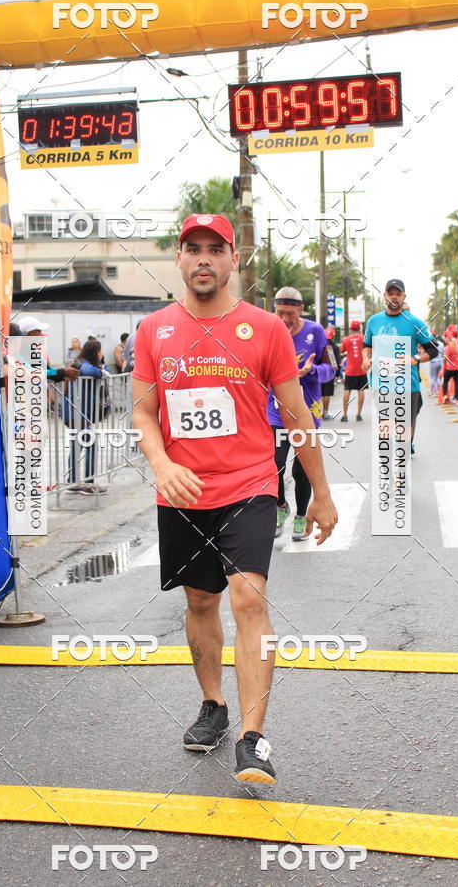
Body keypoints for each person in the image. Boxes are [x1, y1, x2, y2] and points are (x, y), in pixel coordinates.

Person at [131, 213, 337, 784]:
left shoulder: (266, 328)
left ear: (232, 260)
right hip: (182, 491)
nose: (203, 258)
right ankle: (213, 705)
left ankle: (253, 736)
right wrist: (162, 462)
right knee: (201, 603)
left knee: (249, 599)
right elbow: (143, 411)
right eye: (192, 248)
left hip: (250, 485)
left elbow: (296, 413)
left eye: (214, 249)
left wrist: (320, 491)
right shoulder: (154, 330)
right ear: (178, 259)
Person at [266, 287, 335, 540]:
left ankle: (301, 514)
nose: (284, 319)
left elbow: (332, 369)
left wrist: (312, 372)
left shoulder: (315, 332)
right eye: (280, 312)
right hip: (275, 410)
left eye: (290, 314)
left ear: (301, 311)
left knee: (302, 469)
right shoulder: (269, 329)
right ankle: (280, 507)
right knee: (274, 463)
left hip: (307, 410)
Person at [362, 279, 439, 454]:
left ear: (404, 296)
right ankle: (387, 451)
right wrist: (366, 359)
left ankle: (405, 447)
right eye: (391, 294)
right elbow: (366, 345)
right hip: (381, 383)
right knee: (385, 421)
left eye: (398, 294)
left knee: (406, 422)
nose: (394, 297)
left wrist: (415, 359)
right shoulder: (374, 321)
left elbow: (433, 349)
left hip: (407, 384)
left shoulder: (415, 322)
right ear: (385, 296)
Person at [63, 338, 111, 495]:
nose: (102, 353)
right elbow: (90, 371)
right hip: (76, 411)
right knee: (89, 444)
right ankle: (87, 483)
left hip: (78, 412)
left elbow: (107, 371)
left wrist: (102, 369)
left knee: (78, 446)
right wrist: (101, 371)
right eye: (100, 350)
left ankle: (73, 482)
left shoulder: (84, 363)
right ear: (95, 352)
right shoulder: (80, 364)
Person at [18, 315, 78, 384]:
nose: (42, 335)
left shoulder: (30, 351)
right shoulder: (19, 351)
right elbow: (31, 371)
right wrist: (61, 372)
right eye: (39, 332)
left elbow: (46, 370)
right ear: (31, 334)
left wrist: (62, 376)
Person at [340, 320, 368, 422]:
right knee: (361, 390)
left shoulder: (346, 339)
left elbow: (342, 351)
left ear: (351, 328)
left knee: (347, 390)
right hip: (361, 369)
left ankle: (345, 415)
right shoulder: (364, 338)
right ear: (360, 328)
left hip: (350, 370)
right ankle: (358, 415)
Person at [321, 326, 340, 419]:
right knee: (326, 393)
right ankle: (325, 413)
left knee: (318, 393)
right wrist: (337, 373)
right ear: (333, 336)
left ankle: (316, 413)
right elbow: (335, 361)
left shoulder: (320, 345)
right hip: (329, 373)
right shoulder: (334, 347)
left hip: (319, 371)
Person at [441, 325, 458, 405]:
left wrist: (443, 362)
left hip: (450, 368)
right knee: (457, 383)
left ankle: (445, 396)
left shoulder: (448, 347)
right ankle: (457, 400)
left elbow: (445, 358)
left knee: (445, 381)